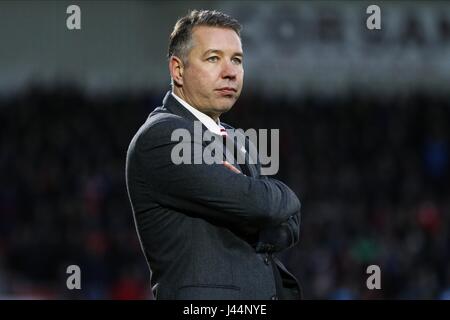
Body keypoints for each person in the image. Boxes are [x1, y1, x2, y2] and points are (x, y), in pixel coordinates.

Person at [125, 9, 302, 300]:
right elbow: (263, 204)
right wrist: (276, 198)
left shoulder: (238, 139)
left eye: (237, 60)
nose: (230, 71)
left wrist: (260, 205)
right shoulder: (163, 137)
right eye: (213, 58)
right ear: (178, 70)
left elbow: (289, 223)